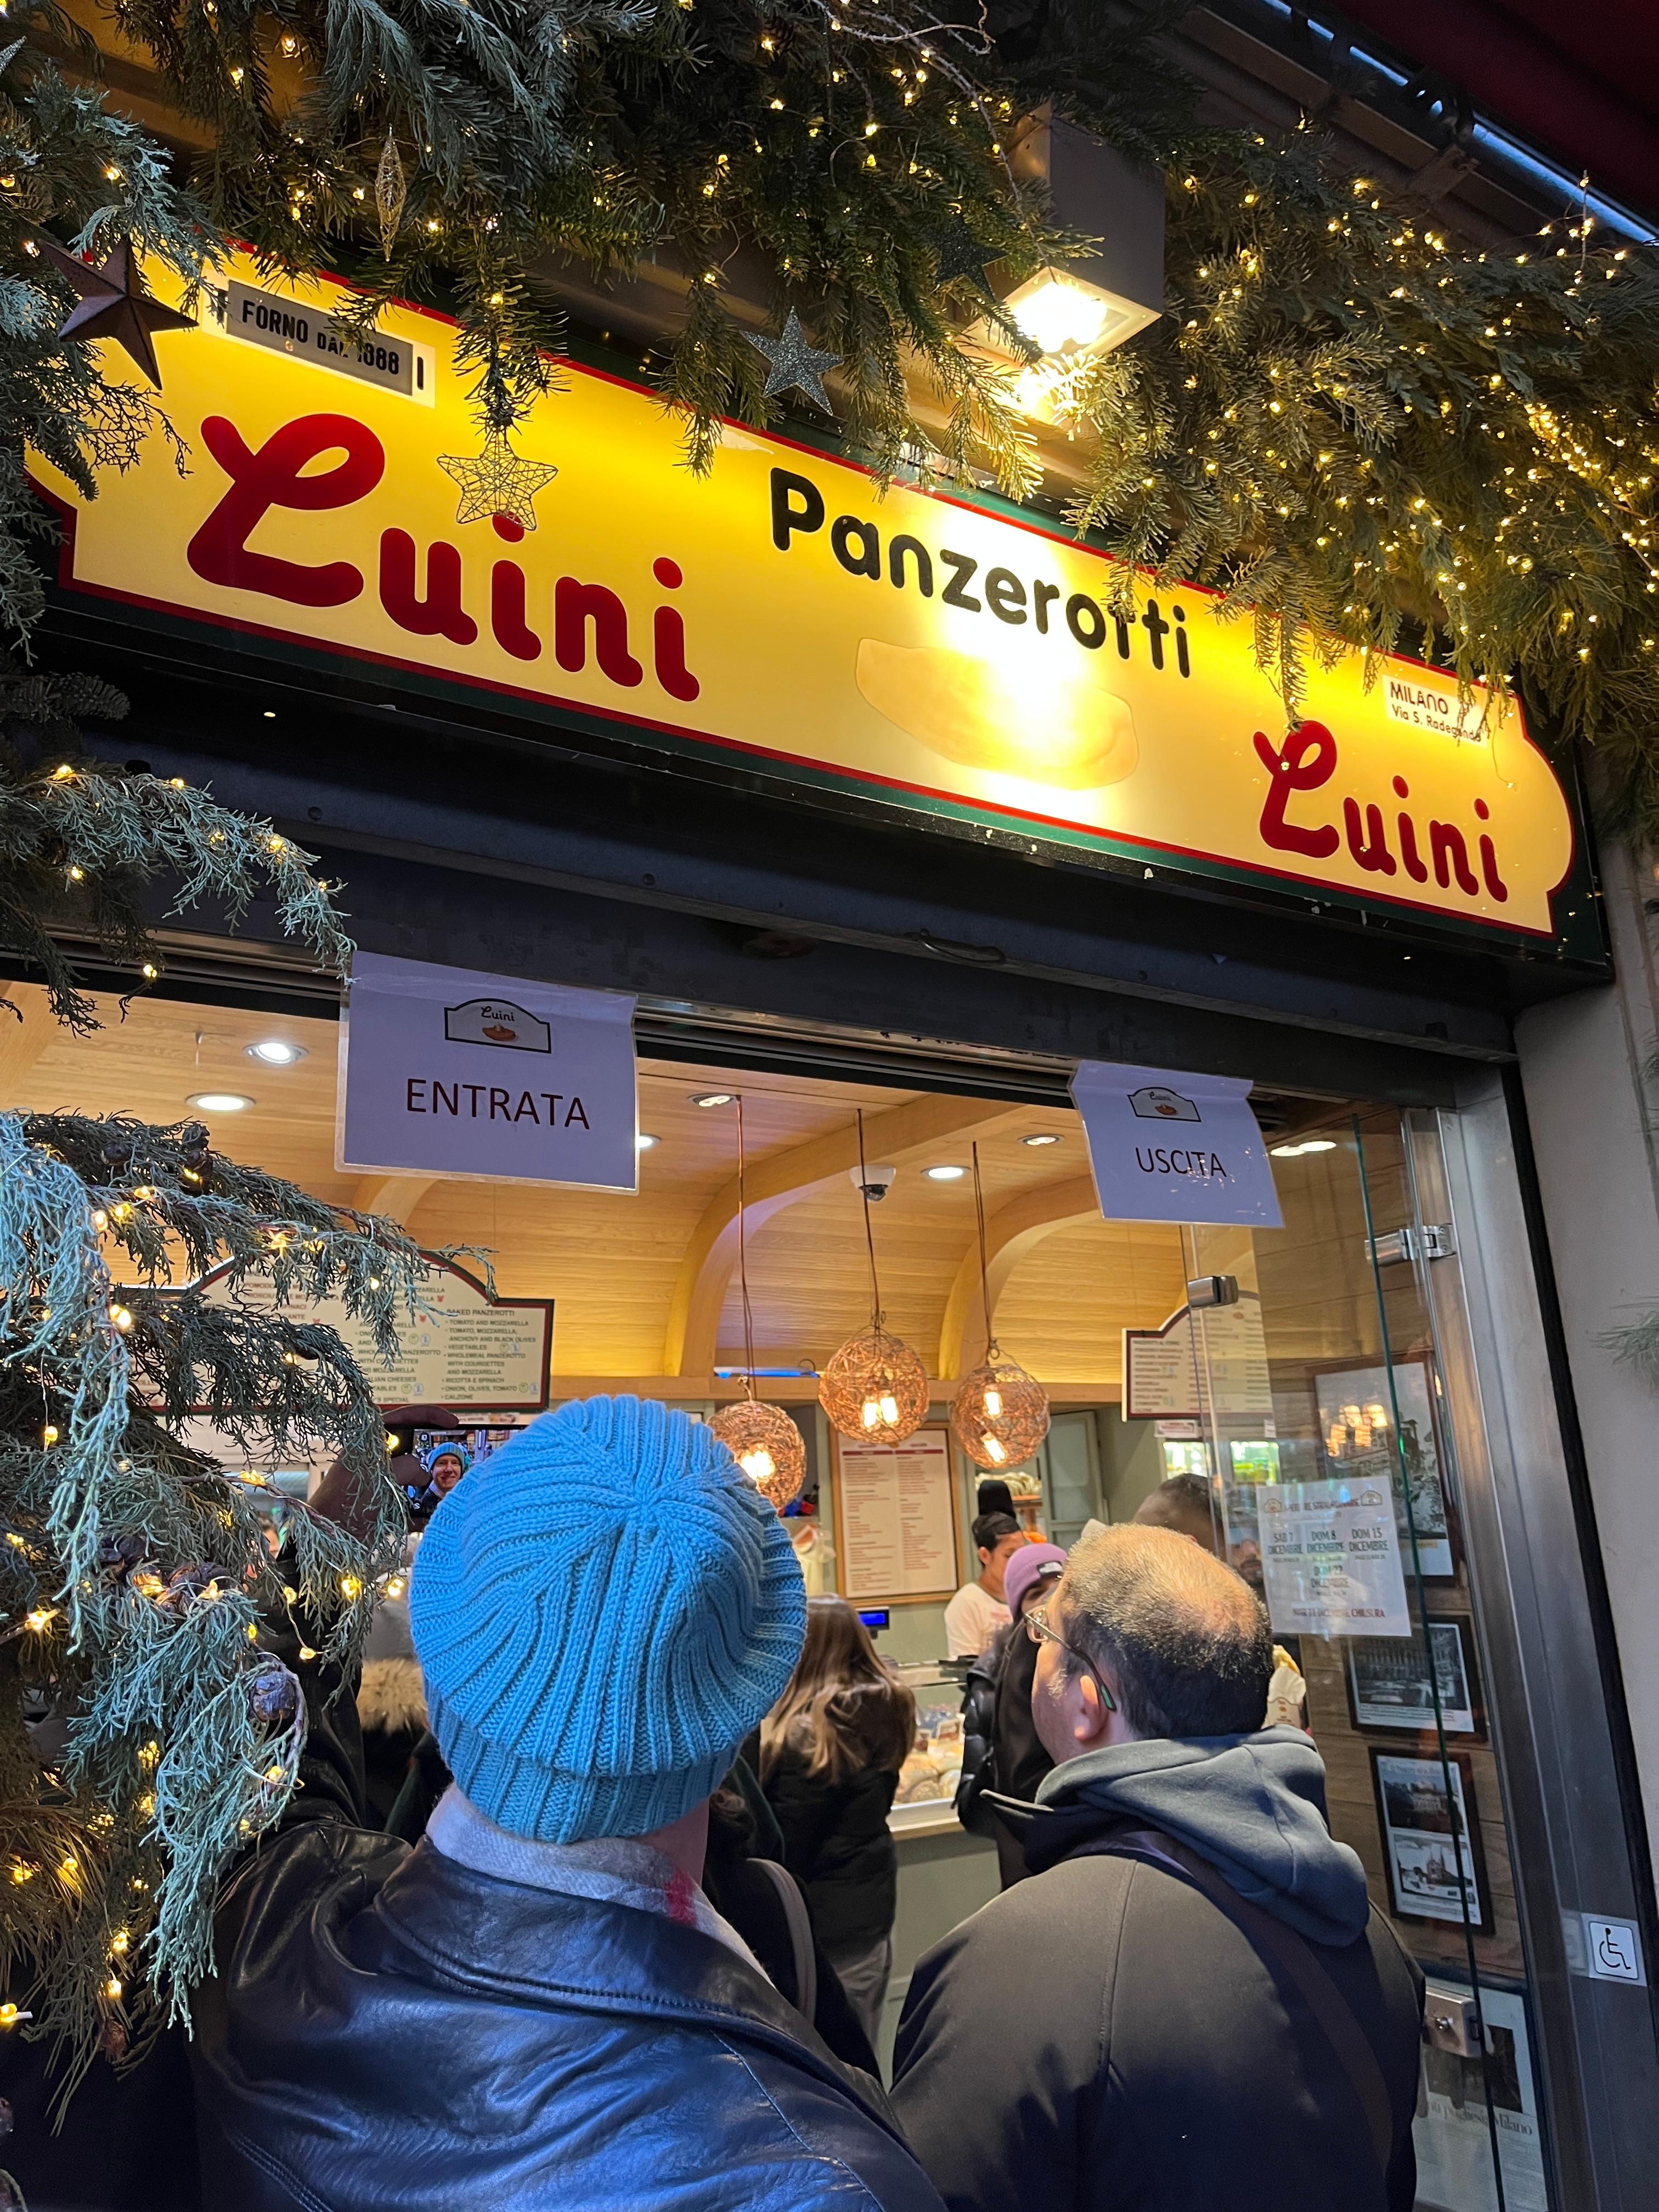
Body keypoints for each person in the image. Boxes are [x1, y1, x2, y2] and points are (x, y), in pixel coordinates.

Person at [192, 1395, 944, 2211]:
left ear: (442, 1680)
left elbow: (277, 1780)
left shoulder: (264, 1935)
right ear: (740, 1706)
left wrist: (314, 1578)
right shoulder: (818, 2182)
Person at [893, 1525, 1425, 2212]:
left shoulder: (1012, 1965)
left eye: (1043, 1635)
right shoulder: (1367, 1930)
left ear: (1088, 1703)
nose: (1033, 1650)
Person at [758, 1595, 917, 2048]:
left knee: (824, 2057)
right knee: (862, 2045)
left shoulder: (808, 1738)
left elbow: (788, 1846)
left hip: (820, 1926)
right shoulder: (886, 1711)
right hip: (869, 1912)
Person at [1135, 1474, 1307, 1728]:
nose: (1250, 1550)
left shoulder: (1294, 1610)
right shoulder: (1155, 1639)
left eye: (1255, 1534)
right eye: (1236, 1538)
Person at [955, 1541, 1064, 1885]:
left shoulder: (1093, 1666)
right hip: (1028, 1862)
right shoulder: (991, 1680)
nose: (1049, 1601)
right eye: (1036, 1594)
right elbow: (973, 1811)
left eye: (1059, 1588)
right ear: (1018, 1610)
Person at [943, 1510, 1026, 1658]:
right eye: (1009, 1555)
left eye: (1021, 1554)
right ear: (985, 1556)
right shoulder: (968, 1601)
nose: (1017, 1562)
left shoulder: (1028, 1594)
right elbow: (967, 1664)